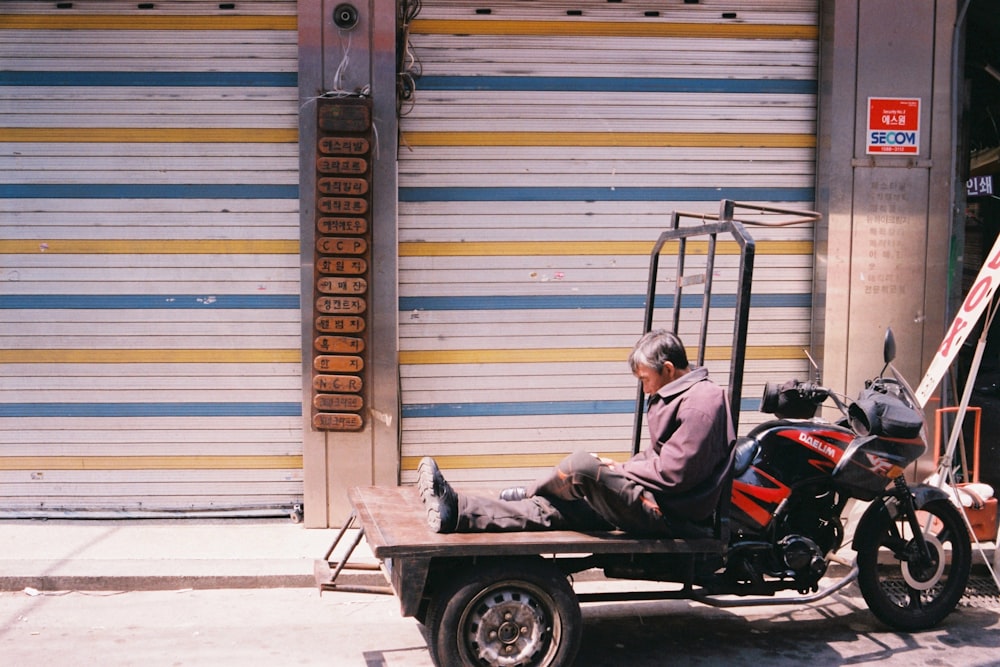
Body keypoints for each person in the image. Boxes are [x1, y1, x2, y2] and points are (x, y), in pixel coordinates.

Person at [418, 329, 734, 536]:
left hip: (669, 513)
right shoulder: (678, 394)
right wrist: (621, 470)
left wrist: (620, 469)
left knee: (583, 466)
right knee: (553, 511)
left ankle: (530, 488)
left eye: (644, 378)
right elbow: (661, 455)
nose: (643, 388)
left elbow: (676, 473)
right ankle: (458, 511)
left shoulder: (700, 404)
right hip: (652, 496)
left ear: (667, 369)